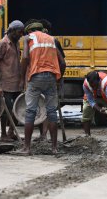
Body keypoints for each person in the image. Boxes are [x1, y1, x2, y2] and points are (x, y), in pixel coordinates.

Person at [19, 21, 66, 155]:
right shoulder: (52, 39)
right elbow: (62, 63)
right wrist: (58, 78)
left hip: (36, 77)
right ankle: (54, 148)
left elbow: (26, 57)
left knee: (30, 112)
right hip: (51, 77)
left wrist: (23, 78)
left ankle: (27, 148)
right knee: (52, 112)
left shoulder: (29, 38)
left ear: (29, 31)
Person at [0, 20, 24, 142]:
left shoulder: (16, 43)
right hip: (6, 84)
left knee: (17, 110)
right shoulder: (3, 43)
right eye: (19, 32)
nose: (21, 35)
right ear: (13, 31)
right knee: (6, 111)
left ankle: (11, 132)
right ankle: (3, 134)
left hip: (17, 83)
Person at [82, 70, 107, 136]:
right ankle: (87, 136)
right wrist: (99, 109)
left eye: (95, 85)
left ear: (98, 80)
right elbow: (91, 101)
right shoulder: (85, 85)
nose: (94, 87)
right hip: (93, 96)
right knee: (86, 110)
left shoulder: (106, 81)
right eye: (92, 86)